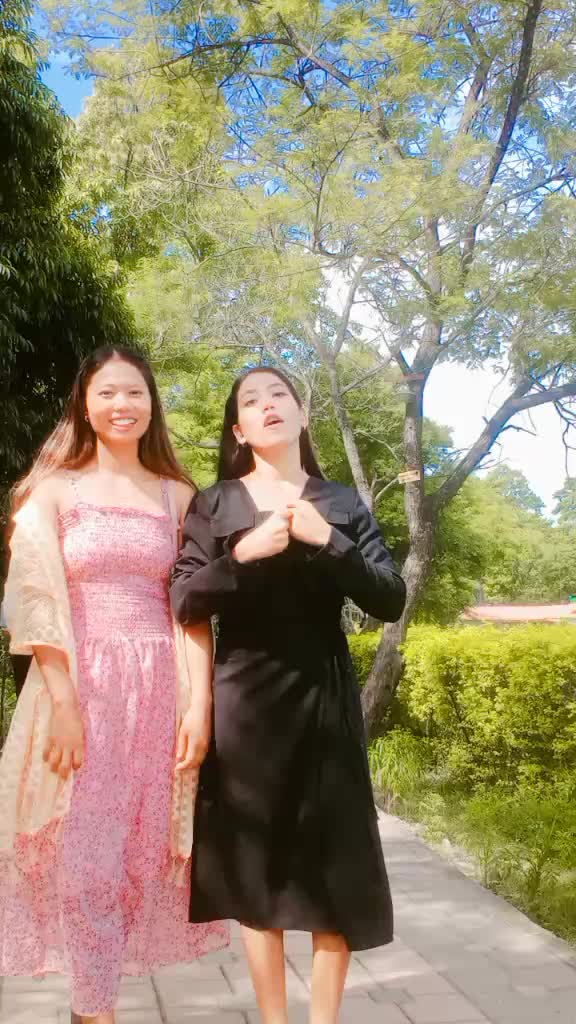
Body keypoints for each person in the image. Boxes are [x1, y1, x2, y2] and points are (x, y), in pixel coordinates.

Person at [170, 367, 406, 1024]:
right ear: (239, 431)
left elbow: (390, 597)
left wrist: (328, 542)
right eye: (251, 401)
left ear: (302, 415)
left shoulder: (341, 503)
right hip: (245, 705)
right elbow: (182, 598)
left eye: (279, 395)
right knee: (257, 870)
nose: (267, 405)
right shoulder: (215, 503)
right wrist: (242, 555)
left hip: (325, 701)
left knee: (338, 866)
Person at [0, 346, 228, 1024]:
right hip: (79, 689)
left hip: (160, 692)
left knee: (135, 859)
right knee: (84, 864)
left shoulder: (178, 495)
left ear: (151, 403)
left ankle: (93, 1006)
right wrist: (64, 704)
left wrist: (200, 707)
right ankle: (93, 1011)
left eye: (134, 392)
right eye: (107, 393)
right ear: (85, 403)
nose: (121, 405)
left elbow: (192, 611)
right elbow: (37, 603)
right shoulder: (52, 491)